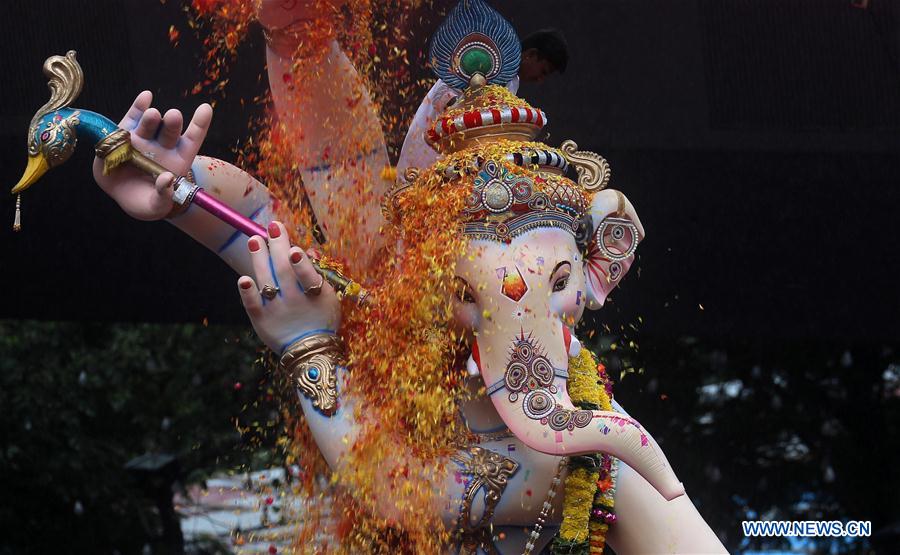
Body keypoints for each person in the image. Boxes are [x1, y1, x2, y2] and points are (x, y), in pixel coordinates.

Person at [397, 28, 570, 176]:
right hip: (429, 152)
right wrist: (467, 107)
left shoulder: (512, 80)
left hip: (462, 163)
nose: (539, 80)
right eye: (543, 72)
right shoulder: (487, 58)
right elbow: (443, 93)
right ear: (531, 55)